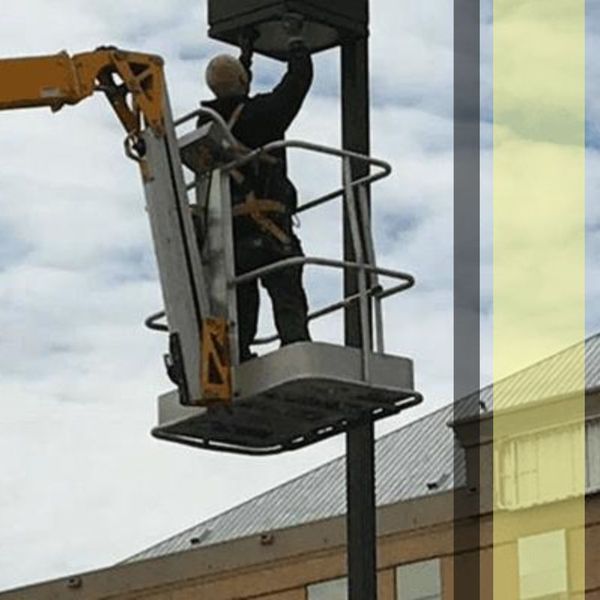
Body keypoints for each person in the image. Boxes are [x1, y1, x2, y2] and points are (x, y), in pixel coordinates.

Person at [199, 20, 313, 362]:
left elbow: (232, 97)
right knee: (285, 287)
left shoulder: (205, 125)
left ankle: (242, 352)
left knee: (242, 294)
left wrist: (244, 54)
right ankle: (294, 344)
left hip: (232, 233)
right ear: (242, 82)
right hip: (269, 228)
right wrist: (296, 42)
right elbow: (296, 84)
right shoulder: (263, 115)